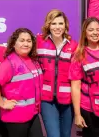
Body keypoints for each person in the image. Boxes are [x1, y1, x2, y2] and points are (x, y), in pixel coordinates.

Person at [0, 28, 44, 137]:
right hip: (16, 117)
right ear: (14, 43)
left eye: (29, 41)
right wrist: (2, 103)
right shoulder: (10, 63)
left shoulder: (32, 60)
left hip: (32, 114)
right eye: (22, 40)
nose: (26, 44)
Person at [37, 9, 78, 137]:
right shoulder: (38, 42)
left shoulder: (74, 45)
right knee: (54, 135)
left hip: (67, 100)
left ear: (65, 25)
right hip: (47, 100)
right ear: (48, 25)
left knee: (66, 135)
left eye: (60, 23)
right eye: (53, 23)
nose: (57, 27)